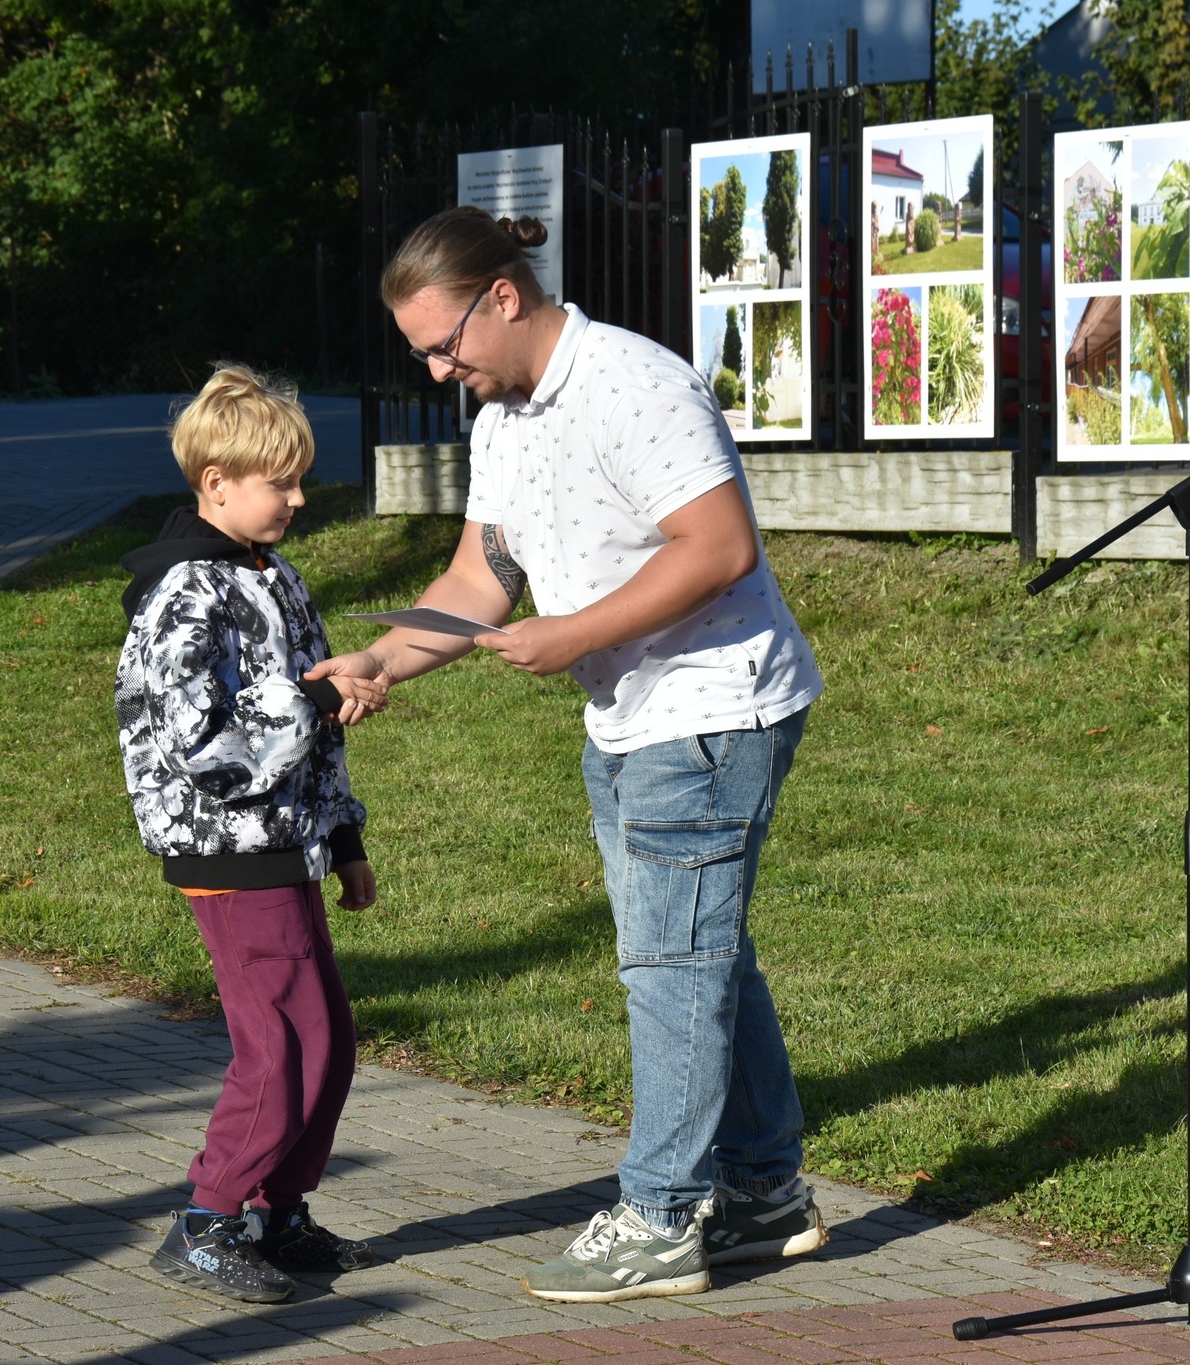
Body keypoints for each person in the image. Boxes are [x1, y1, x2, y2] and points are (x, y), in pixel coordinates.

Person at [309, 207, 828, 1303]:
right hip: (629, 720)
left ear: (502, 295)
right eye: (421, 356)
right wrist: (381, 657)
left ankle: (661, 1215)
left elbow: (720, 545)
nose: (442, 370)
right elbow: (477, 578)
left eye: (444, 344)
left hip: (708, 712)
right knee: (701, 956)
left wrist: (576, 632)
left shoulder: (634, 384)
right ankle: (765, 1193)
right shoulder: (503, 417)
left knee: (671, 969)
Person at [115, 363, 387, 1303]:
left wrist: (344, 834)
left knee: (330, 1036)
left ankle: (278, 1209)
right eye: (282, 482)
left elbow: (312, 719)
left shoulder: (271, 574)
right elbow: (200, 743)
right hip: (226, 845)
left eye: (301, 478)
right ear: (215, 484)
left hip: (286, 839)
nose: (300, 498)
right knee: (277, 1044)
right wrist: (308, 703)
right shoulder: (188, 591)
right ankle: (210, 1216)